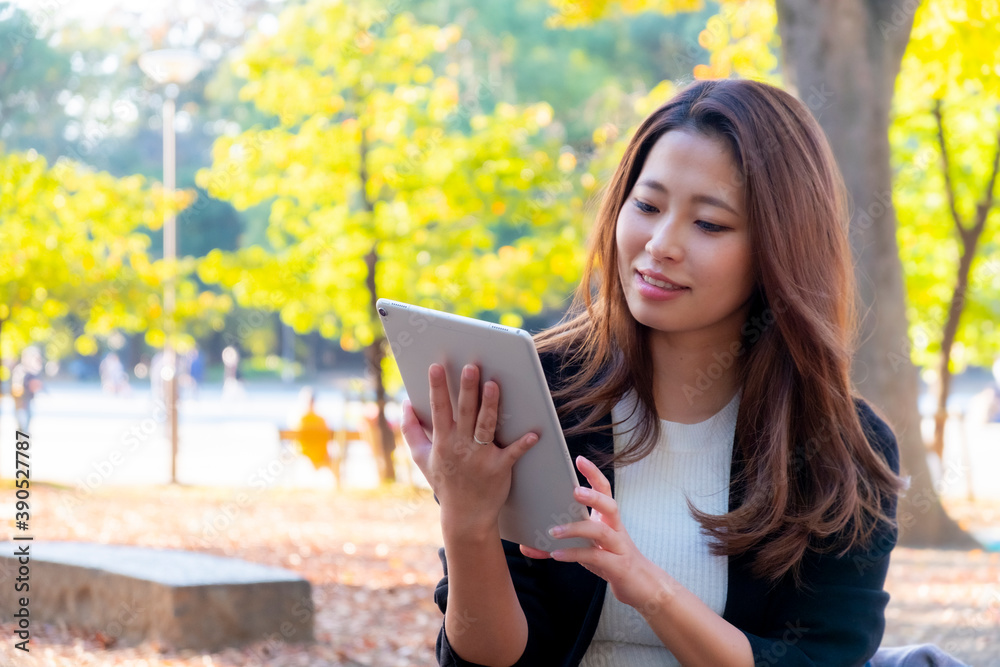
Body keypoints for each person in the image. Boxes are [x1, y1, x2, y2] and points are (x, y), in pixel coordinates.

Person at [400, 79, 910, 666]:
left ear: (781, 247)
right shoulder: (538, 390)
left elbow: (824, 658)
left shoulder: (839, 447)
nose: (661, 244)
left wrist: (647, 586)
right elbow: (489, 663)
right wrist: (466, 522)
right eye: (646, 206)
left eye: (710, 224)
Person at [11, 346, 44, 432]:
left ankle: (25, 431)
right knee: (19, 415)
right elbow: (16, 381)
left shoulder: (33, 370)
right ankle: (21, 431)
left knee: (29, 414)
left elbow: (38, 383)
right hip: (19, 397)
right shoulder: (20, 369)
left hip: (28, 397)